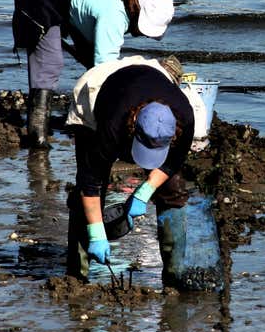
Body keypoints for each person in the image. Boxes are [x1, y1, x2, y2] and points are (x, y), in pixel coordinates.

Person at [12, 0, 175, 148]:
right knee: (50, 62)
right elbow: (104, 76)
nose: (141, 35)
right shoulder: (113, 17)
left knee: (91, 55)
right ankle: (36, 134)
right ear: (137, 14)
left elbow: (97, 55)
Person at [65, 63, 195, 284]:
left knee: (173, 189)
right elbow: (90, 182)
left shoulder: (185, 118)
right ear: (134, 126)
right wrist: (97, 233)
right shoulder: (113, 124)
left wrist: (145, 191)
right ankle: (76, 276)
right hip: (98, 91)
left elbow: (172, 163)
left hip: (148, 80)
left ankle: (174, 275)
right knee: (87, 190)